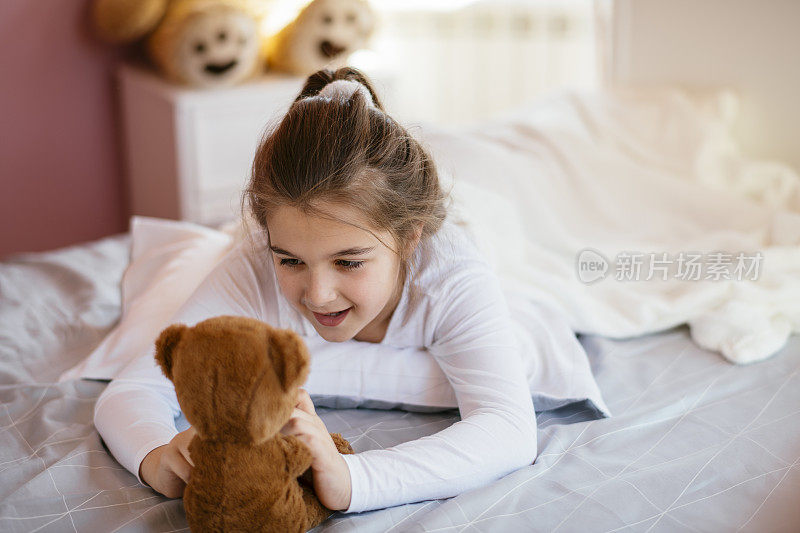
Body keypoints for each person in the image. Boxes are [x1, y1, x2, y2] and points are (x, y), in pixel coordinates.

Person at [93, 67, 538, 513]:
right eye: (290, 260)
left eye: (348, 262)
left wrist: (352, 478)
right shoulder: (254, 263)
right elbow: (133, 390)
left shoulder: (449, 277)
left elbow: (509, 427)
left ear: (408, 239)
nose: (318, 294)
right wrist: (156, 457)